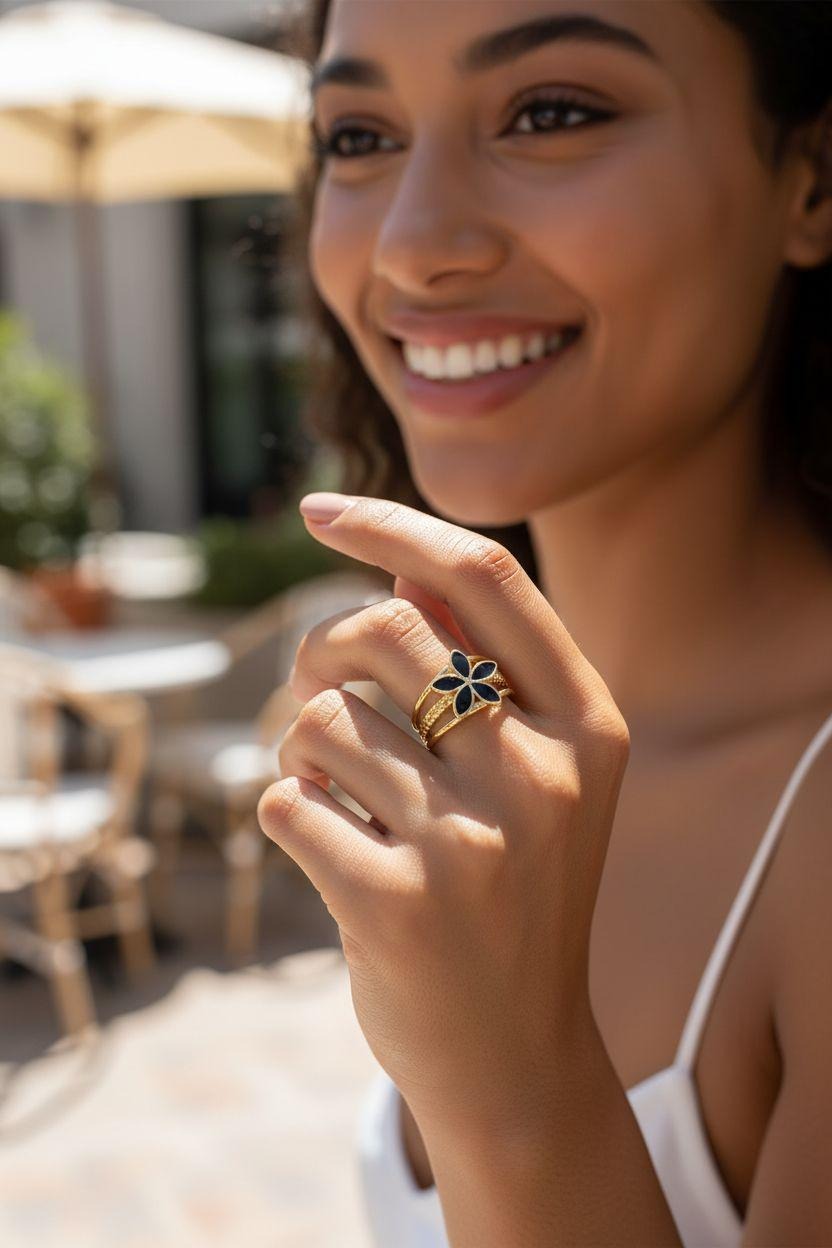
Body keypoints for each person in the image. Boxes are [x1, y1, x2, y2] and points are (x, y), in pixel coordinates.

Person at [258, 2, 832, 1244]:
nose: (413, 247)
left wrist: (516, 1100)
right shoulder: (470, 729)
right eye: (357, 136)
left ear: (809, 179)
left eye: (551, 113)